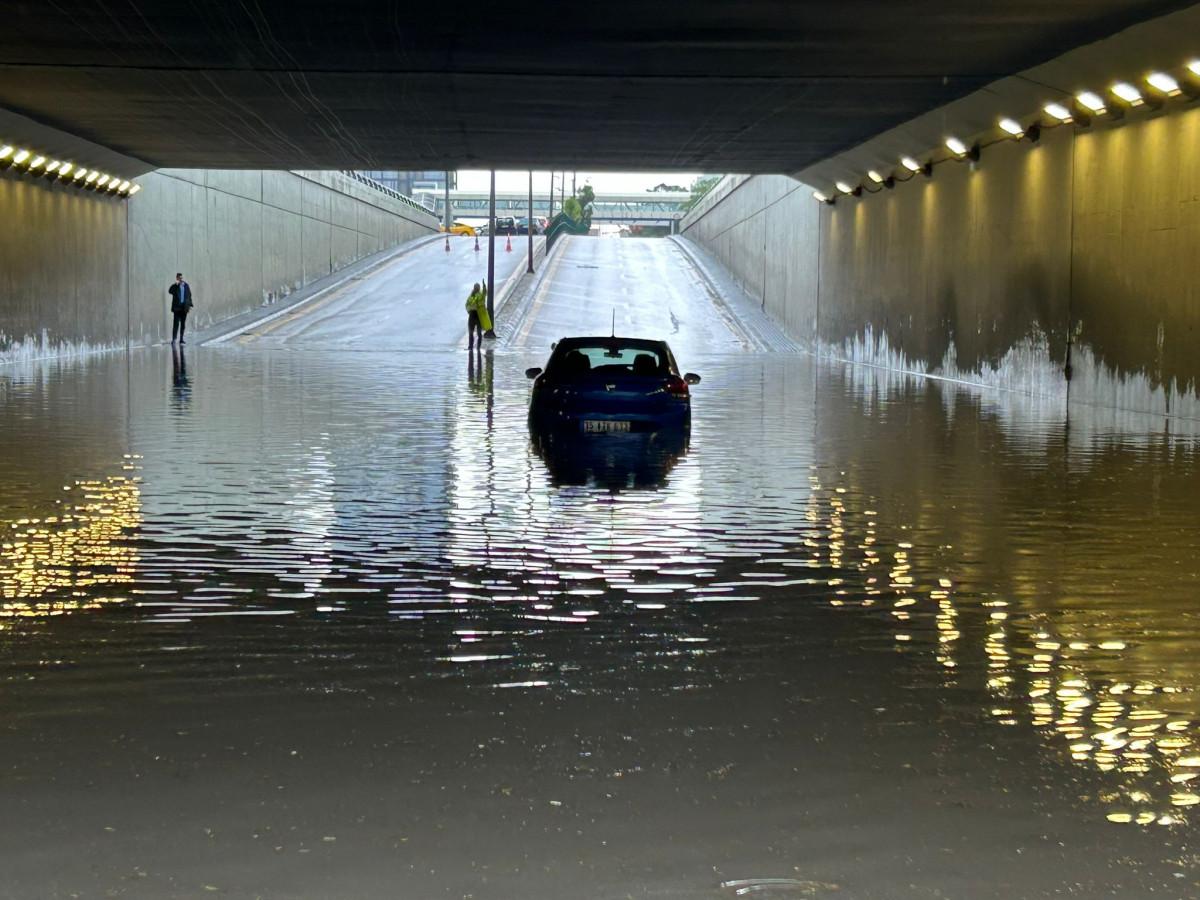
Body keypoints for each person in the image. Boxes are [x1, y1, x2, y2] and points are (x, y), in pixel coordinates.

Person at [465, 280, 492, 350]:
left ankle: (474, 347)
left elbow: (484, 293)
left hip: (477, 315)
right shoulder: (472, 296)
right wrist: (470, 310)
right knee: (473, 332)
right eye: (476, 287)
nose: (476, 289)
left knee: (476, 333)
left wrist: (484, 287)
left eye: (477, 287)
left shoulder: (479, 295)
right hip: (474, 315)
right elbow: (467, 305)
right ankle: (472, 347)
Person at [168, 273, 194, 344]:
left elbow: (189, 295)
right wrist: (175, 285)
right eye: (179, 278)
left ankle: (181, 339)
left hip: (184, 308)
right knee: (175, 324)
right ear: (177, 278)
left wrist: (189, 306)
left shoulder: (186, 285)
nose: (181, 279)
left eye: (181, 278)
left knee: (183, 324)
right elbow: (170, 291)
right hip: (177, 309)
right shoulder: (175, 286)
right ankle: (174, 339)